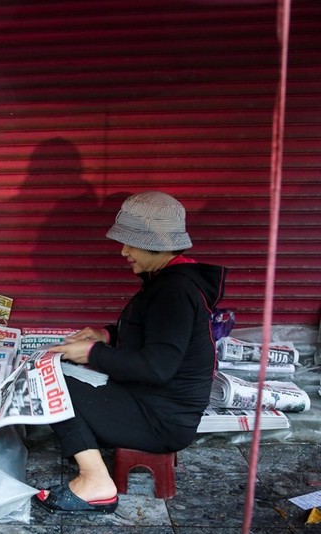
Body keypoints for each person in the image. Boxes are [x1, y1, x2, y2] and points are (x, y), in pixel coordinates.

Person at [34, 191, 226, 514]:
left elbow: (157, 367)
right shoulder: (167, 280)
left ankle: (96, 482)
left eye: (130, 243)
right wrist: (107, 335)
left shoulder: (175, 292)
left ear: (156, 244)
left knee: (50, 385)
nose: (123, 251)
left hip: (160, 420)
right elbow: (152, 336)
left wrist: (92, 354)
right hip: (150, 404)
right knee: (56, 371)